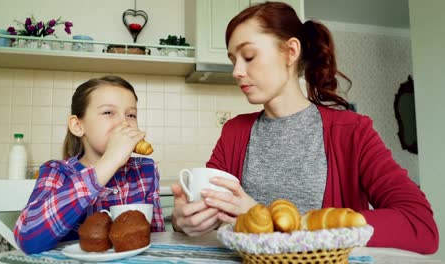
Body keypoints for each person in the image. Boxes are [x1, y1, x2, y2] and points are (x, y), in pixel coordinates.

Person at [171, 1, 438, 254]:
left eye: (249, 56)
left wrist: (284, 222)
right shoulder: (234, 132)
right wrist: (184, 221)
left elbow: (420, 225)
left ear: (290, 52)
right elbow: (209, 210)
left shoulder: (352, 131)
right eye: (233, 60)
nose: (236, 71)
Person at [14, 75, 164, 254]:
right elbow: (28, 239)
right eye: (108, 112)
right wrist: (109, 162)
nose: (124, 123)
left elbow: (156, 240)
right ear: (78, 126)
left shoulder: (145, 170)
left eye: (131, 115)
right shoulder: (56, 172)